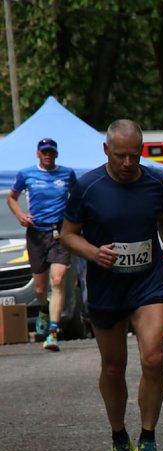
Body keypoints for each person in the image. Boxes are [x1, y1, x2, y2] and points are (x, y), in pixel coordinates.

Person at [60, 119, 163, 451]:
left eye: (135, 155)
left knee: (154, 356)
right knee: (113, 366)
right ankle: (119, 438)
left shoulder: (155, 182)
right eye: (120, 156)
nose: (128, 163)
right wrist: (91, 252)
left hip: (148, 283)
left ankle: (147, 438)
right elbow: (67, 235)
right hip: (106, 287)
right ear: (106, 151)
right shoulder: (87, 186)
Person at [6, 137, 78, 351]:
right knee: (40, 289)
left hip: (59, 233)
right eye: (44, 152)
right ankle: (44, 309)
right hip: (36, 234)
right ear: (38, 154)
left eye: (51, 152)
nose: (47, 155)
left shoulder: (67, 174)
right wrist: (20, 215)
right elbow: (12, 197)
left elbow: (77, 197)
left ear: (56, 154)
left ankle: (53, 332)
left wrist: (74, 221)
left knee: (58, 280)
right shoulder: (26, 174)